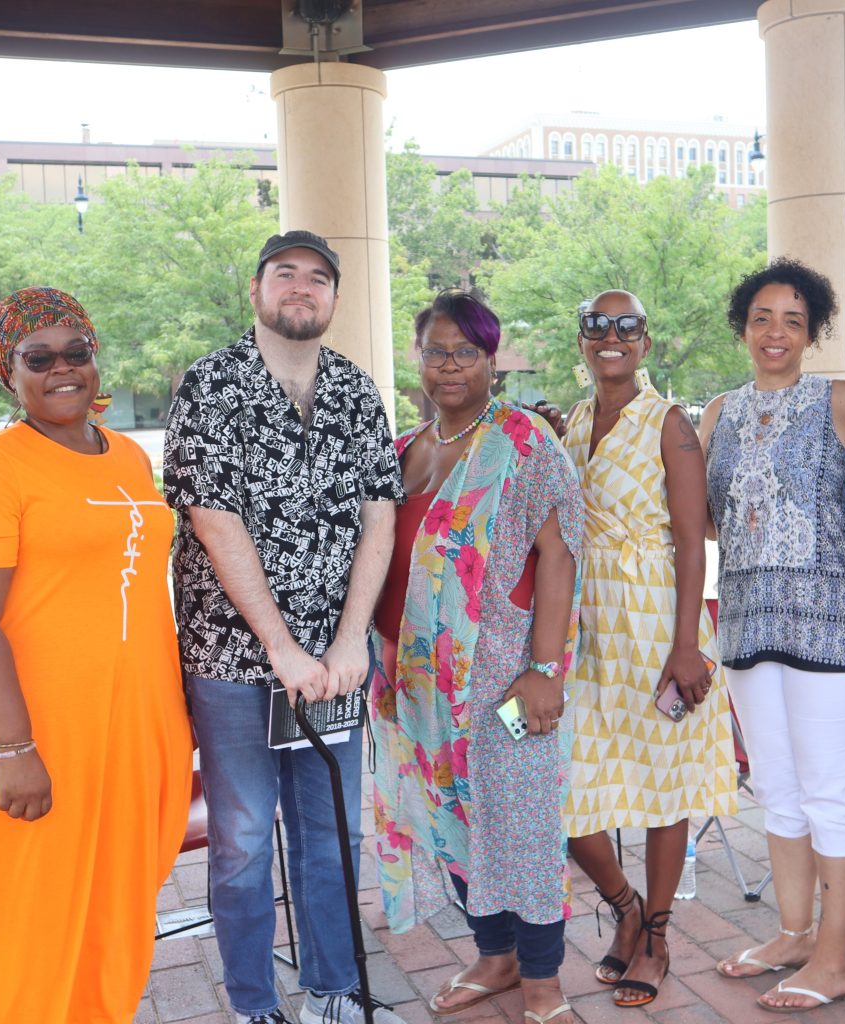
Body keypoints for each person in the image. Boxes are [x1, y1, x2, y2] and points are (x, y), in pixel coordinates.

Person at [164, 230, 406, 1024]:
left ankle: (333, 992)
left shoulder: (357, 391)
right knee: (240, 844)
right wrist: (284, 650)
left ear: (335, 299)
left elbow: (379, 516)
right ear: (258, 291)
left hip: (333, 667)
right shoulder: (210, 384)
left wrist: (347, 643)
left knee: (331, 833)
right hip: (236, 664)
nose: (302, 288)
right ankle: (254, 1005)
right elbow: (213, 520)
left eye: (319, 278)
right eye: (285, 274)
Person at [370, 289, 582, 1024]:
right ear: (419, 360)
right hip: (415, 681)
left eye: (466, 351)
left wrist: (546, 670)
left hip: (507, 680)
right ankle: (495, 958)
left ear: (491, 360)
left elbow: (559, 556)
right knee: (449, 816)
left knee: (521, 819)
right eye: (436, 350)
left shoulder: (524, 440)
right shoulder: (405, 450)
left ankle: (544, 982)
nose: (450, 364)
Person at [0, 287, 192, 1023]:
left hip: (141, 725)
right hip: (47, 732)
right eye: (37, 357)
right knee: (34, 919)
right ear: (5, 372)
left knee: (119, 907)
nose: (62, 369)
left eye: (77, 350)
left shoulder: (131, 458)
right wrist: (12, 748)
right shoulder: (3, 467)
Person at [699, 259, 845, 1012]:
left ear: (811, 333)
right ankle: (793, 934)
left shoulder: (842, 400)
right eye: (762, 318)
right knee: (777, 791)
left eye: (792, 320)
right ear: (743, 328)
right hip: (749, 628)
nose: (774, 332)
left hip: (839, 632)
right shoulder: (718, 411)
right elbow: (706, 520)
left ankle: (838, 962)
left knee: (831, 798)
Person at [563, 289, 738, 1009]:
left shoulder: (669, 423)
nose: (612, 337)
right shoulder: (574, 420)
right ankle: (625, 905)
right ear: (582, 340)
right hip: (584, 629)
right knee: (570, 789)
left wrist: (687, 645)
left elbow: (693, 542)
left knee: (666, 788)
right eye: (597, 327)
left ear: (646, 339)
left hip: (658, 625)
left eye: (627, 326)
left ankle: (658, 937)